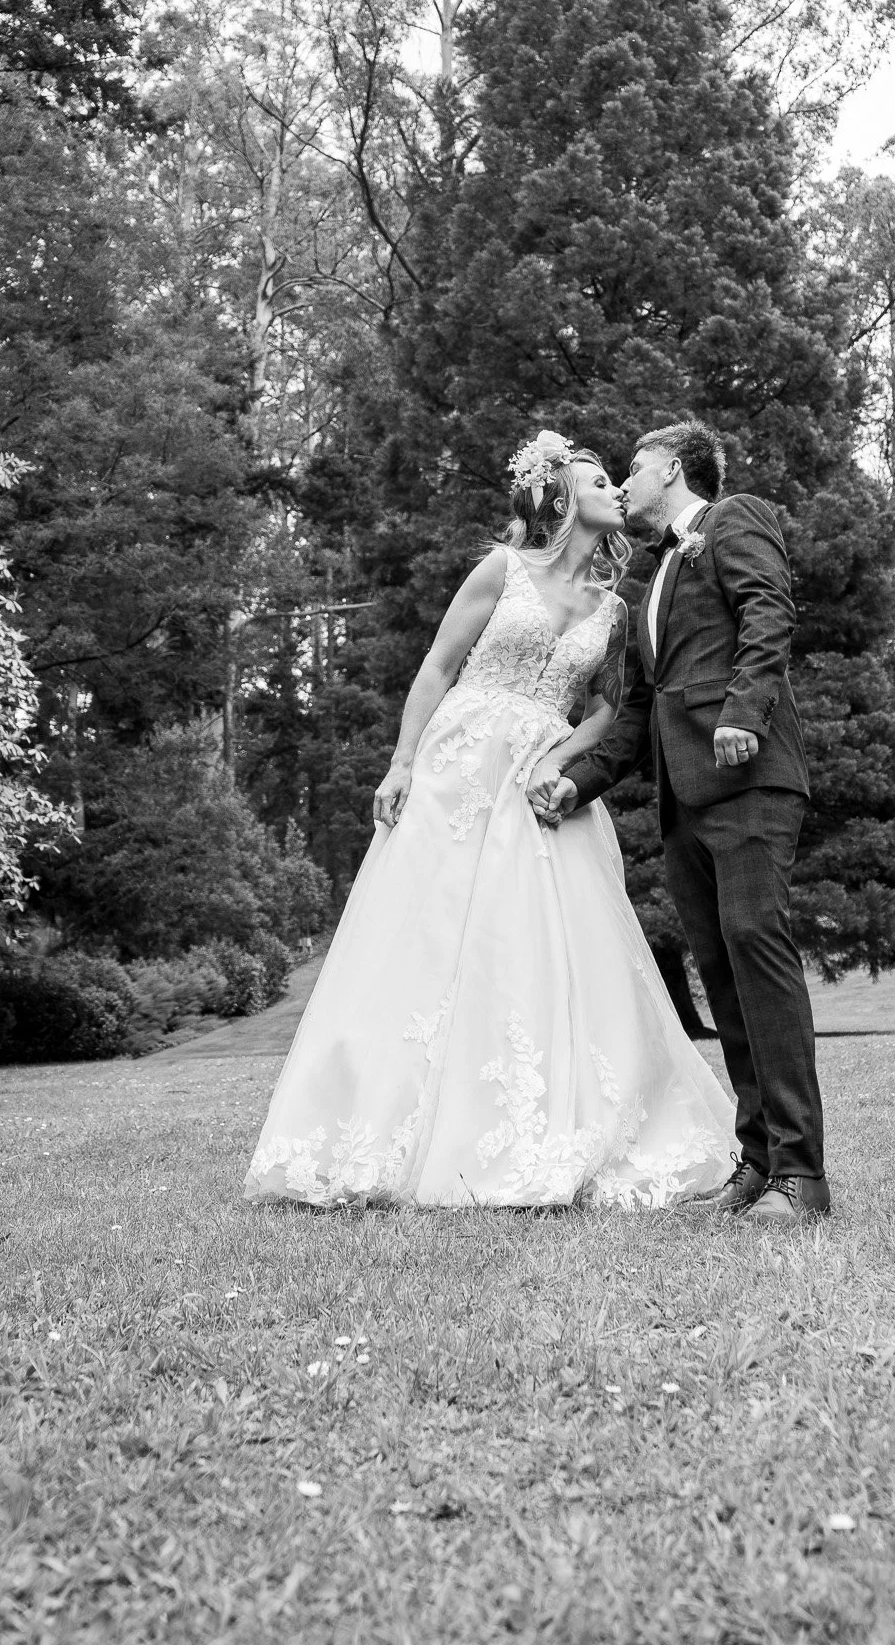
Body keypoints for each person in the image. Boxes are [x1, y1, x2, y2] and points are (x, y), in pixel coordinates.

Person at [245, 431, 734, 1210]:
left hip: (539, 774)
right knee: (429, 936)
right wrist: (401, 762)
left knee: (535, 941)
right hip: (458, 765)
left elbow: (611, 708)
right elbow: (437, 667)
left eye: (620, 478)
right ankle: (383, 1133)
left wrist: (559, 759)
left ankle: (540, 1127)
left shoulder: (616, 607)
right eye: (598, 480)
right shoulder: (501, 570)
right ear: (562, 499)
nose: (616, 488)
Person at [532, 420, 829, 1227]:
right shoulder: (648, 577)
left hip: (749, 777)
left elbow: (768, 612)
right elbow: (634, 713)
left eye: (633, 468)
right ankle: (758, 1162)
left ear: (669, 467)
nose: (624, 483)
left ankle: (802, 1177)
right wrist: (578, 780)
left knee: (757, 959)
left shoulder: (734, 519)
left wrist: (744, 714)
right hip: (684, 797)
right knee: (724, 977)